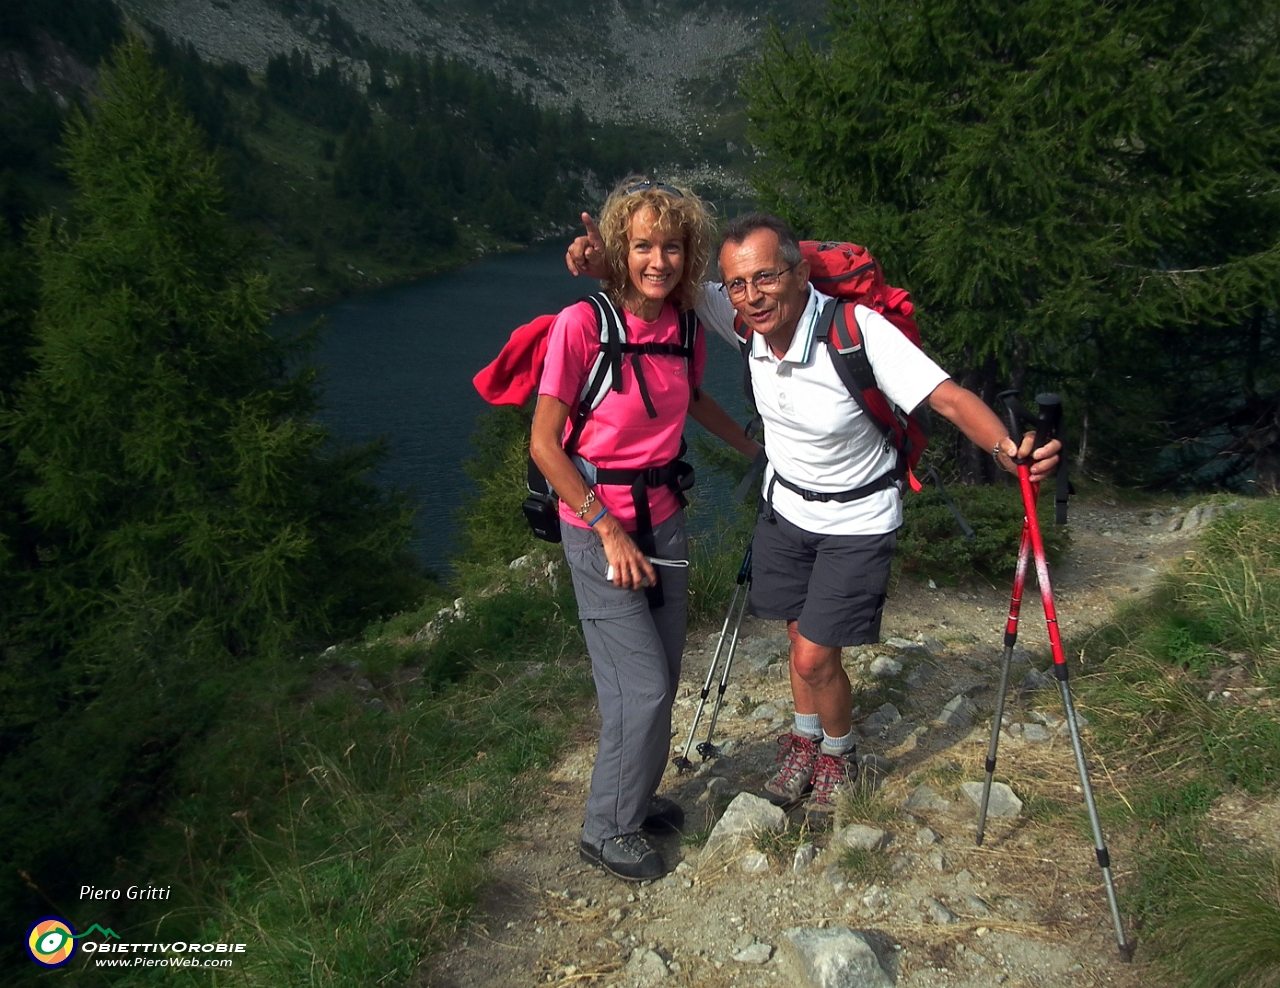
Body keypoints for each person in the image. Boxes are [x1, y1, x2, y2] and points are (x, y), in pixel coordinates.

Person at [567, 211, 1060, 828]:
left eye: (766, 277)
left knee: (811, 658)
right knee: (801, 641)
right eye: (738, 285)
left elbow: (949, 398)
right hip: (786, 511)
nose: (751, 297)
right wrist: (602, 261)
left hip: (857, 519)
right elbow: (664, 280)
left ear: (799, 273)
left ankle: (841, 753)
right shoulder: (743, 316)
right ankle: (806, 741)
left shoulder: (859, 331)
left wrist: (1006, 452)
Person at [532, 178, 758, 880]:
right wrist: (607, 531)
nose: (656, 260)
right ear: (619, 250)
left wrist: (761, 447)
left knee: (661, 671)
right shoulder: (582, 325)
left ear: (686, 253)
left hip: (663, 515)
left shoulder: (684, 324)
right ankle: (605, 827)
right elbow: (544, 445)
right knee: (640, 686)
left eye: (670, 246)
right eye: (641, 246)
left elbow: (690, 399)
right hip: (599, 522)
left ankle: (637, 796)